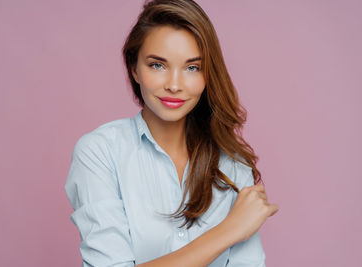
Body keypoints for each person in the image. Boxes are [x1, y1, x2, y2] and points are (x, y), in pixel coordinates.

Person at [64, 0, 279, 266]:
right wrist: (229, 231)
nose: (174, 85)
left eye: (192, 67)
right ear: (134, 69)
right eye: (157, 65)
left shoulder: (233, 165)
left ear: (207, 75)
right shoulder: (99, 152)